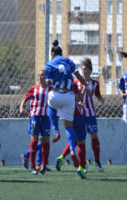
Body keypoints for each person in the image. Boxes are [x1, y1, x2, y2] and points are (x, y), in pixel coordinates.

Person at [45, 40, 90, 178]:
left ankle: (56, 131)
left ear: (52, 53)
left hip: (57, 93)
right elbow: (79, 77)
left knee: (50, 105)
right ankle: (71, 150)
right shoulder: (69, 62)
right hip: (69, 97)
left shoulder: (50, 63)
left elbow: (47, 83)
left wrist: (45, 82)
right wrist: (85, 84)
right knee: (69, 127)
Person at [56, 58, 105, 172]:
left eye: (86, 69)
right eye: (82, 69)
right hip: (79, 114)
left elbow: (97, 95)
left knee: (94, 136)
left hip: (90, 114)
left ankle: (97, 161)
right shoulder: (76, 83)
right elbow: (77, 97)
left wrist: (101, 99)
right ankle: (73, 161)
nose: (84, 71)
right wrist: (81, 94)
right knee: (78, 140)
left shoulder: (95, 83)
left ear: (91, 71)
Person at [19, 69, 51, 175]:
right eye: (40, 75)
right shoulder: (34, 88)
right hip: (35, 116)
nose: (41, 77)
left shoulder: (50, 88)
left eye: (43, 75)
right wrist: (21, 107)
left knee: (45, 141)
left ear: (46, 76)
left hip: (46, 117)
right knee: (34, 140)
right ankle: (32, 165)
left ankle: (44, 165)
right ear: (38, 77)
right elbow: (25, 98)